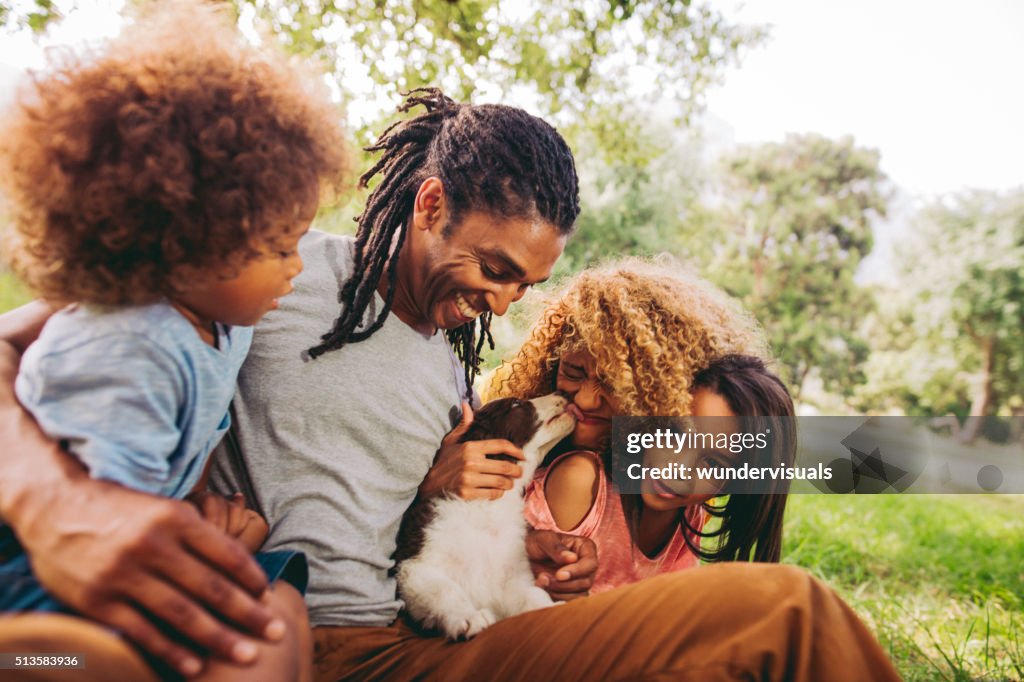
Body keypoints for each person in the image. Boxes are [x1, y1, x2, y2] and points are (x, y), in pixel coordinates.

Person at [0, 83, 902, 681]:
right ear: (431, 206)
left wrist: (475, 518)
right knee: (787, 605)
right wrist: (54, 504)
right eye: (496, 266)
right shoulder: (263, 272)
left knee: (787, 615)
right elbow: (22, 349)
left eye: (526, 285)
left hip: (411, 643)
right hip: (279, 632)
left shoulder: (448, 369)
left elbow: (428, 534)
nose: (505, 300)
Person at [0, 0, 347, 677]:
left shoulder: (223, 321)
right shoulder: (128, 342)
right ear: (185, 248)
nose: (297, 269)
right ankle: (42, 654)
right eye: (279, 248)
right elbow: (107, 518)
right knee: (242, 637)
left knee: (280, 614)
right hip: (44, 563)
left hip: (146, 531)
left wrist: (205, 515)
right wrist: (191, 528)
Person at [486, 263, 794, 592]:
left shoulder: (689, 512)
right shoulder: (581, 480)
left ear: (661, 392)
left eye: (615, 385)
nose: (588, 401)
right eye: (574, 372)